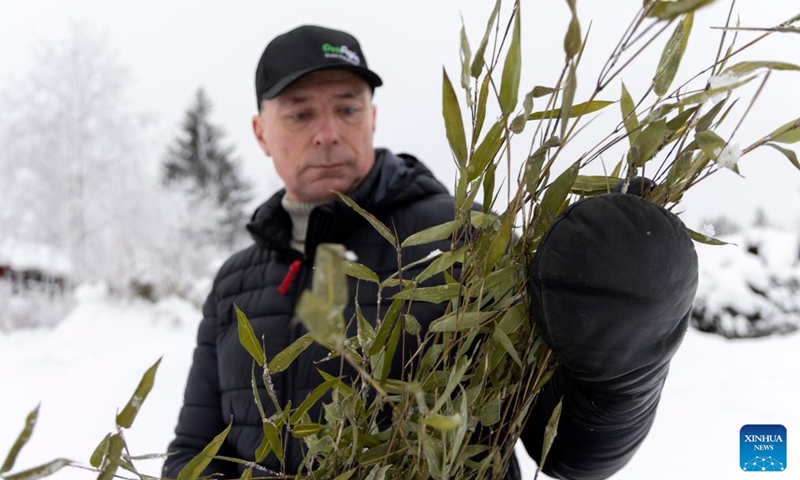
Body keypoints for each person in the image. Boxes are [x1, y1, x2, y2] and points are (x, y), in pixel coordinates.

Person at [163, 24, 698, 480]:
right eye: (300, 115)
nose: (327, 133)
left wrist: (623, 344)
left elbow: (569, 452)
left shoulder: (467, 241)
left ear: (372, 118)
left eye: (347, 108)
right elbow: (193, 451)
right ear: (261, 133)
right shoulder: (234, 281)